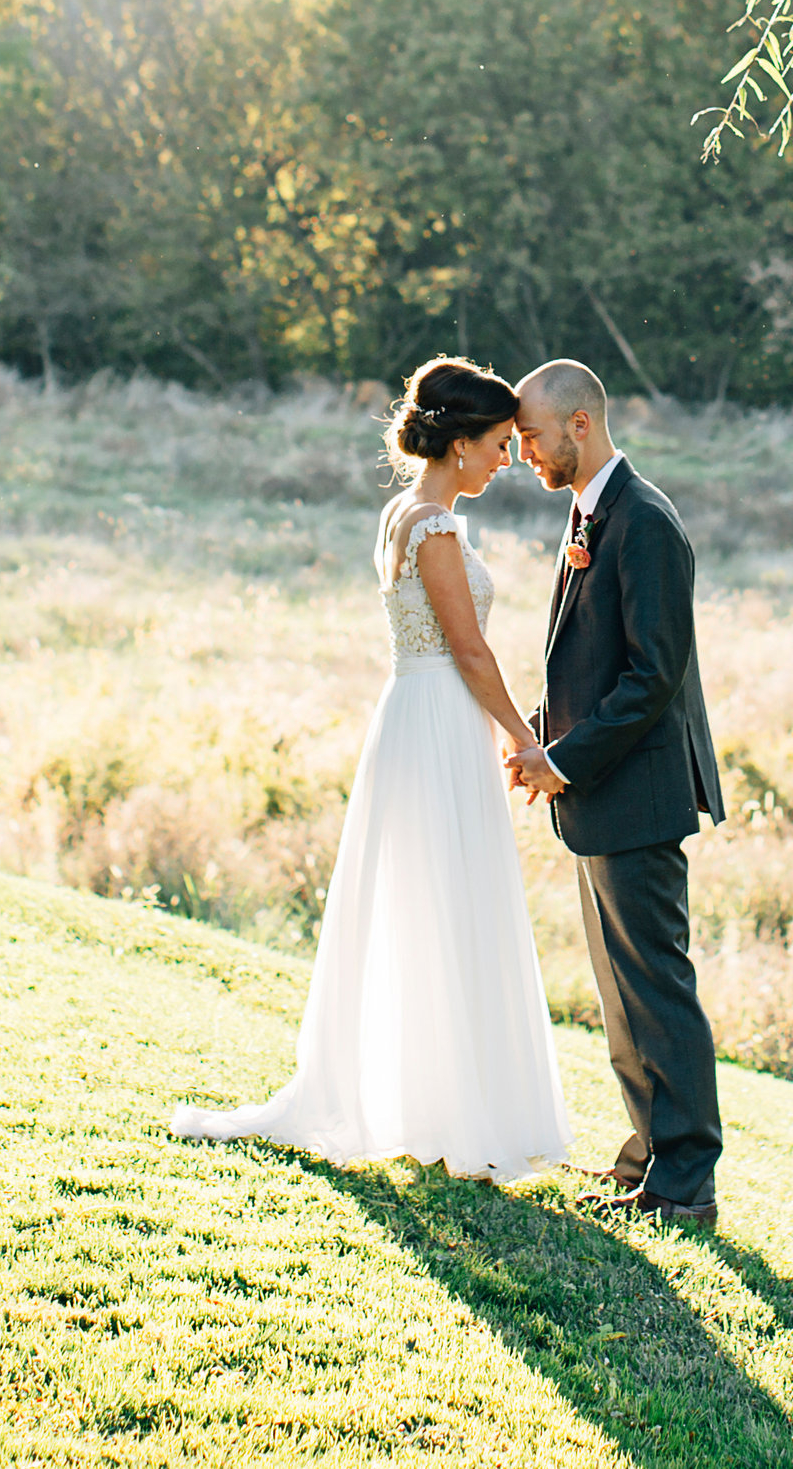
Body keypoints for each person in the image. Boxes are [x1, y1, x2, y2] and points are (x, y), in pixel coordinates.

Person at [168, 358, 574, 1181]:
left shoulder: (402, 510)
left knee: (428, 904)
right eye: (498, 444)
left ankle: (436, 1101)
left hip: (415, 716)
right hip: (438, 722)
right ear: (460, 444)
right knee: (447, 901)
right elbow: (468, 648)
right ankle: (449, 1113)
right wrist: (523, 739)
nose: (506, 460)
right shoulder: (435, 527)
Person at [510, 358, 726, 1227]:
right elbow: (592, 662)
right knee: (621, 991)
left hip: (635, 795)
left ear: (580, 425)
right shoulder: (594, 511)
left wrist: (563, 759)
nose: (521, 449)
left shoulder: (644, 521)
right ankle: (644, 1159)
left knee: (657, 988)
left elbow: (650, 677)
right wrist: (538, 731)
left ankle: (686, 1182)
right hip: (601, 797)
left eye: (529, 434)